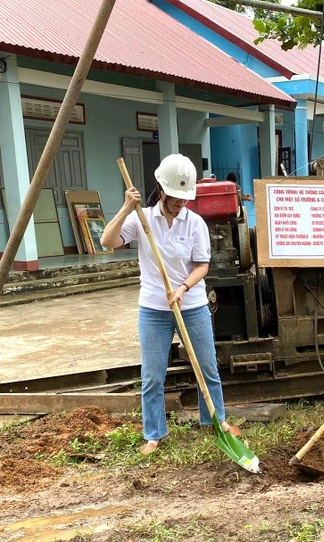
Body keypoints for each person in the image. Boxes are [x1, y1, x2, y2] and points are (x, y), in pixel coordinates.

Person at [101, 154, 239, 455]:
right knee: (152, 374)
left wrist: (182, 288)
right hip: (153, 308)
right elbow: (106, 242)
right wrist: (126, 207)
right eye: (175, 196)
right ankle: (153, 433)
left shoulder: (196, 224)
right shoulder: (142, 219)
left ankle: (216, 421)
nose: (181, 202)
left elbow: (202, 266)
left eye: (185, 197)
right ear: (160, 189)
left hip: (192, 304)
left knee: (207, 367)